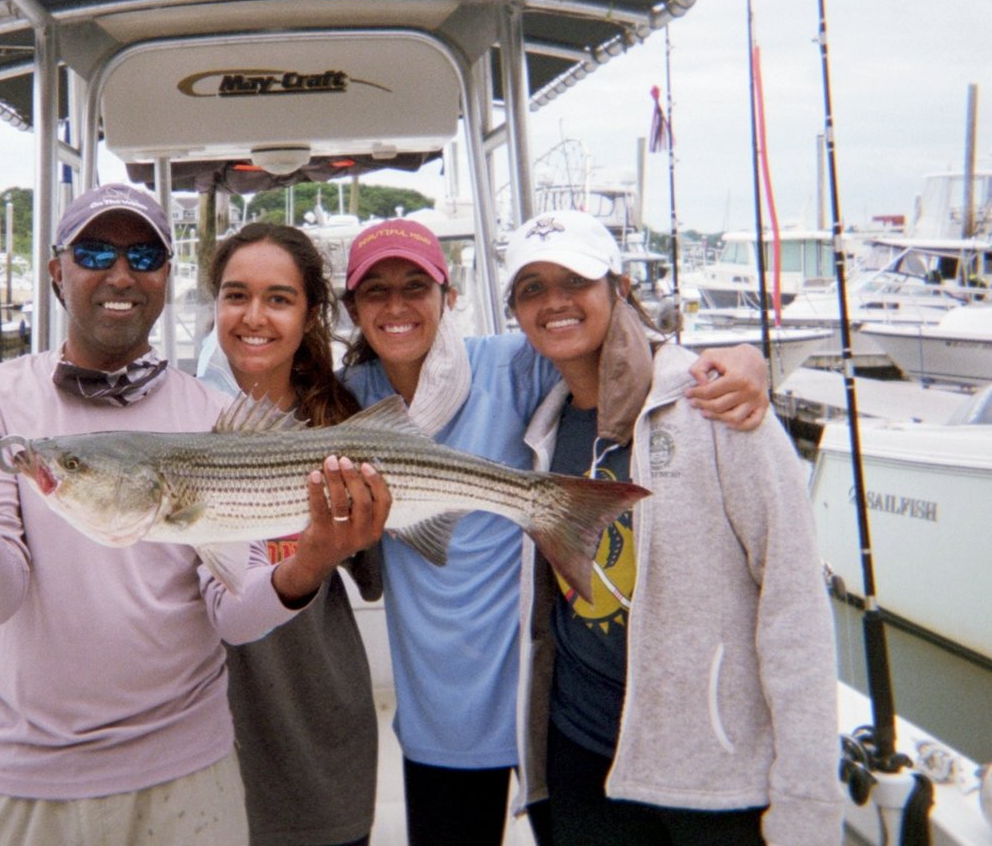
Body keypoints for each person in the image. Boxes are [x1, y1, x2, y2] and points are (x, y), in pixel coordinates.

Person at [0, 185, 390, 846]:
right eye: (94, 251)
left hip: (187, 770)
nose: (120, 274)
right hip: (25, 776)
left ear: (166, 278)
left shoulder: (209, 416)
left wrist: (312, 558)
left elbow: (233, 614)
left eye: (143, 255)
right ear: (57, 269)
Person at [335, 217, 770, 846]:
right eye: (375, 292)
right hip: (441, 712)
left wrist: (740, 358)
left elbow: (614, 355)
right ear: (353, 309)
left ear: (447, 296)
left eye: (415, 287)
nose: (397, 306)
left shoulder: (510, 368)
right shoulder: (347, 399)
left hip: (543, 702)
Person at [505, 210, 841, 844]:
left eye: (574, 280)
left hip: (709, 777)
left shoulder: (715, 404)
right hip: (578, 753)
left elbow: (794, 605)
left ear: (619, 288)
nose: (554, 302)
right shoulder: (542, 426)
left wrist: (807, 800)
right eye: (531, 288)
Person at [203, 222, 382, 846]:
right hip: (202, 728)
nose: (254, 317)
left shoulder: (345, 417)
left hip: (317, 711)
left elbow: (374, 574)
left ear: (310, 315)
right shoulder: (174, 416)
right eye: (235, 295)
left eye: (279, 298)